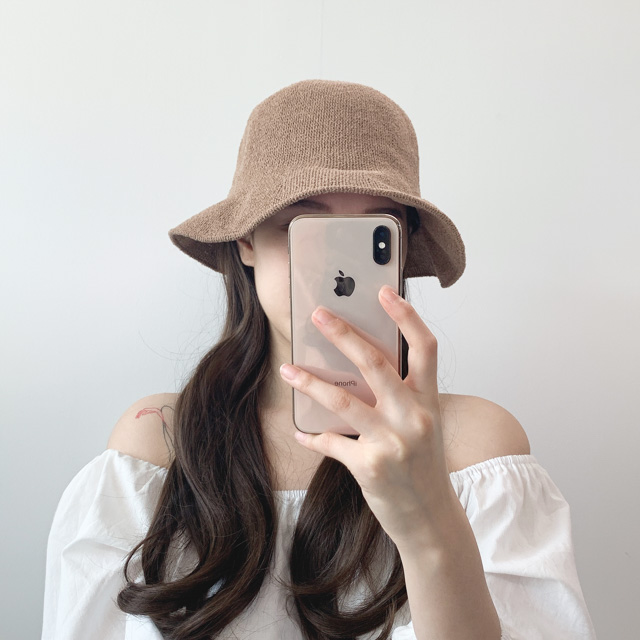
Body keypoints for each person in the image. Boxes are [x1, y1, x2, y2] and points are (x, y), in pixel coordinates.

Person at [42, 79, 597, 640]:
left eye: (371, 233)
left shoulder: (477, 450)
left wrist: (429, 525)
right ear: (246, 241)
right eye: (302, 227)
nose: (340, 273)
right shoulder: (157, 444)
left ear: (402, 246)